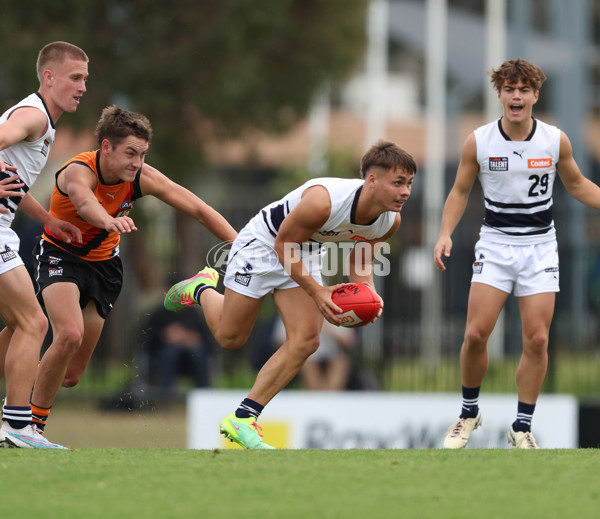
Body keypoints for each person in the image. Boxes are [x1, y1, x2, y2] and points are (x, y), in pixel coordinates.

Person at [164, 140, 416, 449]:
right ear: (372, 180)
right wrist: (318, 291)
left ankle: (243, 418)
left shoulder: (390, 220)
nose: (405, 192)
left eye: (410, 183)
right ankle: (201, 287)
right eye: (398, 182)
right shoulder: (324, 201)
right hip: (263, 245)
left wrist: (370, 297)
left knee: (307, 340)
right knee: (230, 338)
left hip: (306, 252)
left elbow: (360, 259)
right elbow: (282, 245)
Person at [26, 105, 237, 442]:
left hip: (104, 267)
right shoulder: (78, 170)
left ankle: (17, 394)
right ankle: (29, 426)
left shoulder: (140, 177)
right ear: (106, 147)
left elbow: (198, 208)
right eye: (130, 153)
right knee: (68, 335)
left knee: (72, 375)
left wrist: (239, 245)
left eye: (141, 155)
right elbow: (83, 202)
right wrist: (108, 220)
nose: (137, 163)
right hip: (60, 257)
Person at [434, 58, 600, 449]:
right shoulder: (479, 140)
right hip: (495, 245)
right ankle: (468, 413)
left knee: (537, 339)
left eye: (524, 89)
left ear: (535, 96)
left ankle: (522, 426)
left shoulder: (554, 140)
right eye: (509, 89)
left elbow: (577, 185)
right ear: (500, 95)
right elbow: (459, 191)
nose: (516, 96)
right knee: (475, 334)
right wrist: (444, 233)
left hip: (540, 248)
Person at [0, 42, 88, 449]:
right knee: (33, 323)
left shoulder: (42, 121)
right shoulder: (34, 115)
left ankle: (15, 427)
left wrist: (50, 219)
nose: (82, 86)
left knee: (15, 329)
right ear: (48, 77)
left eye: (85, 78)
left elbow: (15, 183)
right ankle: (17, 427)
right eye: (75, 77)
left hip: (5, 229)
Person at [140, 302, 212, 395]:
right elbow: (145, 340)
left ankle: (204, 395)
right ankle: (165, 396)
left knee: (198, 352)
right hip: (162, 361)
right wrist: (164, 335)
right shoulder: (159, 314)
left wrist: (191, 338)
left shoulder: (194, 314)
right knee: (170, 351)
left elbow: (208, 341)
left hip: (190, 362)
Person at [272, 316, 358, 390]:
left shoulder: (338, 310)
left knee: (341, 362)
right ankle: (318, 396)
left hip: (333, 356)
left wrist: (327, 327)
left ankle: (330, 396)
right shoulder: (293, 307)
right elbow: (279, 339)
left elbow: (350, 341)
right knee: (306, 361)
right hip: (306, 356)